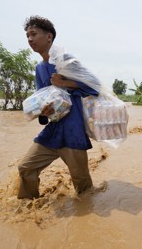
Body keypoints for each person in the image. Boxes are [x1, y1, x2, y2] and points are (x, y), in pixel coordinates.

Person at [17, 16, 99, 199]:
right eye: (27, 35)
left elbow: (95, 87)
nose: (30, 39)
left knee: (82, 186)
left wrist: (65, 82)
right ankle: (28, 208)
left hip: (73, 131)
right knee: (26, 168)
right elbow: (42, 100)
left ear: (49, 37)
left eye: (33, 34)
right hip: (52, 132)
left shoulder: (66, 60)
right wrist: (43, 113)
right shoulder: (39, 69)